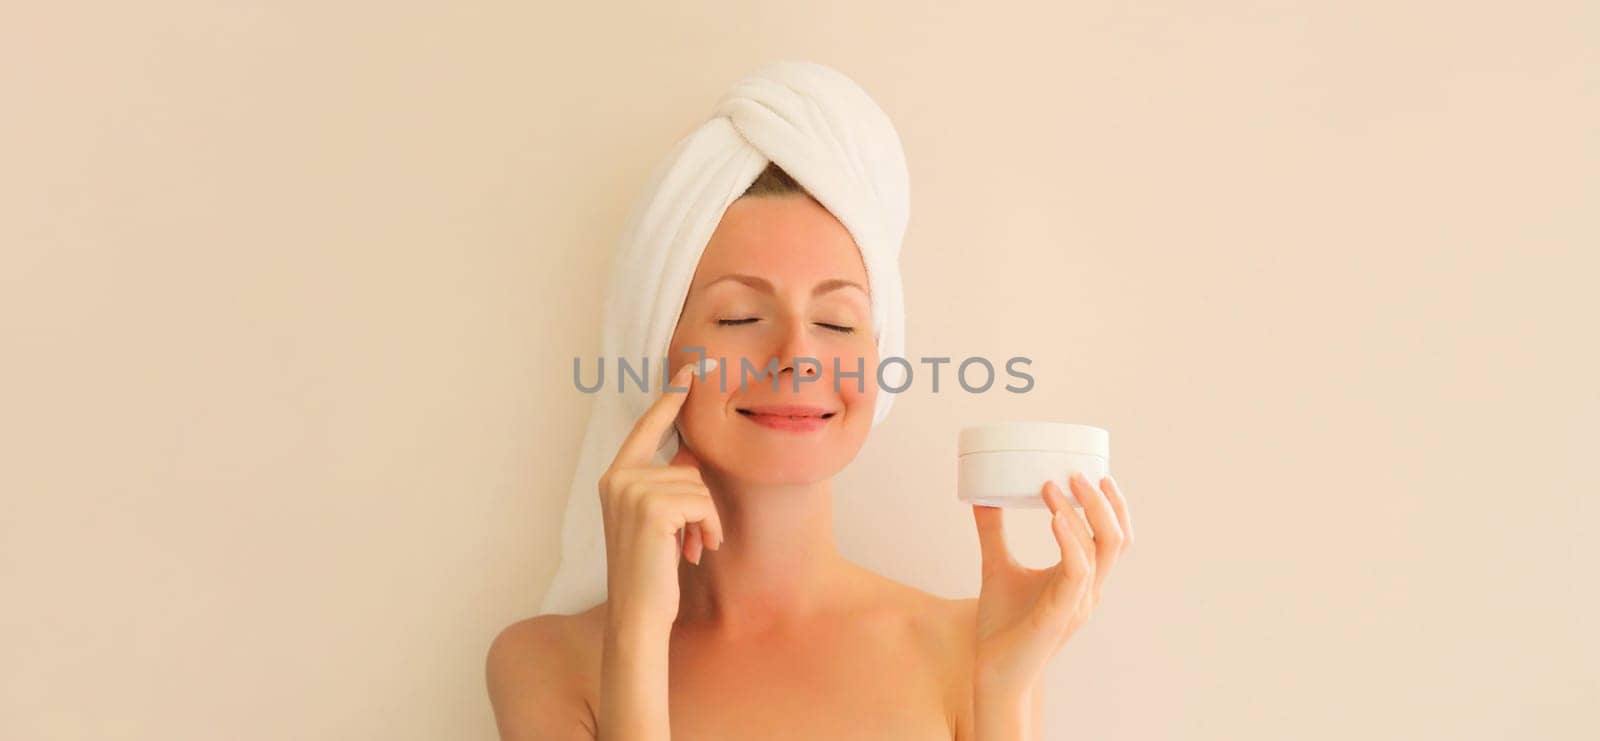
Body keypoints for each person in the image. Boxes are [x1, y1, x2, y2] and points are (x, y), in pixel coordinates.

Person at [485, 162, 1136, 740]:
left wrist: (1002, 692)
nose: (798, 356)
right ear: (657, 351)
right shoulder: (549, 663)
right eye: (739, 317)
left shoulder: (972, 650)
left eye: (837, 322)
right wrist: (636, 635)